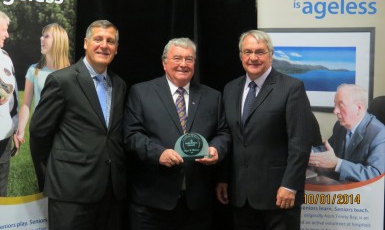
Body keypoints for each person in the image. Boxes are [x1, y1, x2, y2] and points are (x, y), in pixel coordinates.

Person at [216, 30, 320, 230]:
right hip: (241, 195)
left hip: (280, 195)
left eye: (259, 52)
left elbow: (300, 142)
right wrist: (223, 178)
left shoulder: (292, 88)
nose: (253, 57)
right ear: (240, 56)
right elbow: (230, 137)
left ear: (271, 55)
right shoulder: (230, 89)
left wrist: (290, 185)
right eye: (247, 52)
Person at [29, 20, 127, 230]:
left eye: (110, 41)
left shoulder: (119, 85)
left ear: (116, 49)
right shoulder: (62, 80)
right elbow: (39, 132)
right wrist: (57, 169)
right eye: (98, 39)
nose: (104, 45)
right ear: (85, 43)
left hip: (110, 191)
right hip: (70, 191)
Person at [124, 37, 231, 230]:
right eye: (177, 58)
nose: (183, 64)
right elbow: (132, 135)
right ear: (165, 63)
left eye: (189, 59)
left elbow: (223, 132)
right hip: (152, 204)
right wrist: (159, 154)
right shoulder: (141, 92)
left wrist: (217, 149)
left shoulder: (212, 97)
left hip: (197, 205)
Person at [16, 23, 71, 192]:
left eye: (46, 36)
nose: (41, 39)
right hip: (40, 136)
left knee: (63, 185)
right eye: (42, 35)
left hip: (65, 137)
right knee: (43, 184)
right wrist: (20, 130)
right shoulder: (35, 70)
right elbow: (26, 104)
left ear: (59, 41)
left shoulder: (72, 73)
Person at [309, 84, 385, 182]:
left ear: (359, 108)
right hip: (342, 188)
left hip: (363, 193)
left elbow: (375, 175)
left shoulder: (380, 134)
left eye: (340, 105)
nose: (335, 111)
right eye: (335, 105)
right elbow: (328, 150)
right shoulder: (340, 126)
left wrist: (337, 164)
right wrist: (307, 152)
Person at [0, 10, 19, 197]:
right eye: (4, 30)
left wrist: (14, 128)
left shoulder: (5, 58)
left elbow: (13, 100)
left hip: (3, 135)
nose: (7, 34)